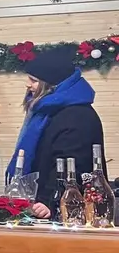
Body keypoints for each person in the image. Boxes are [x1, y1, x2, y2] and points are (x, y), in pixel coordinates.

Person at [7, 46, 106, 219]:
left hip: (66, 210)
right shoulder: (49, 111)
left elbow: (72, 164)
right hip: (44, 204)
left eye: (34, 80)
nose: (28, 84)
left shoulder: (77, 116)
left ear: (51, 85)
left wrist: (49, 202)